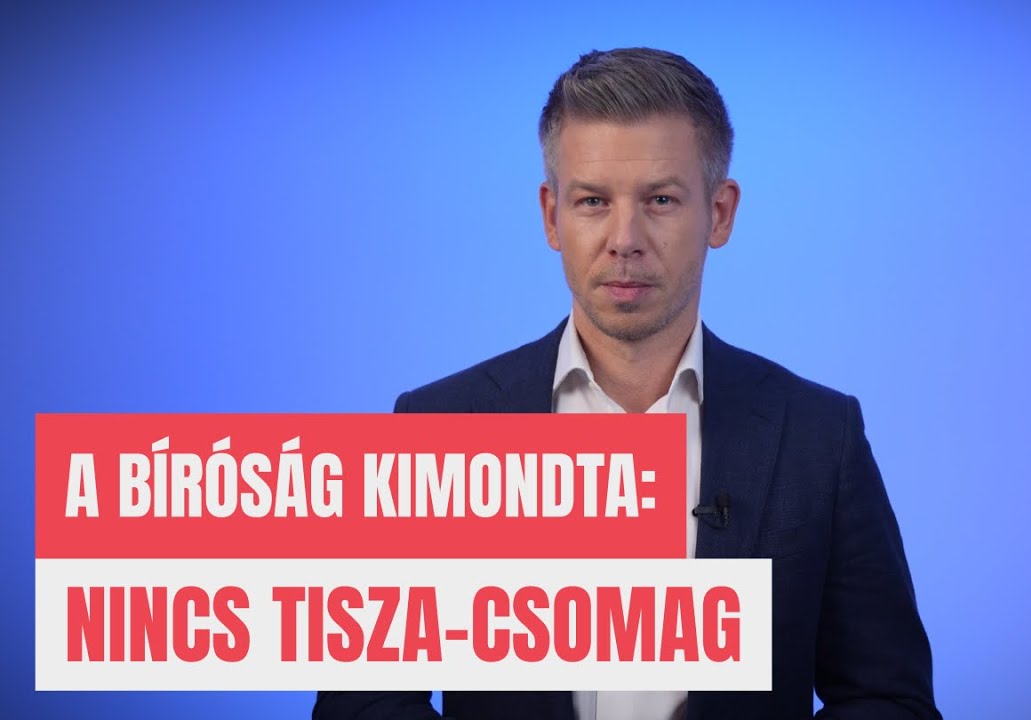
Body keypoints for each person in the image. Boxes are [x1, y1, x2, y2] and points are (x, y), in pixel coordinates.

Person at [314, 47, 940, 720]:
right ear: (552, 215)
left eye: (660, 200)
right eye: (593, 201)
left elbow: (887, 697)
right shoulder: (437, 426)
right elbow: (361, 699)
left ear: (720, 213)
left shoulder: (819, 436)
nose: (624, 239)